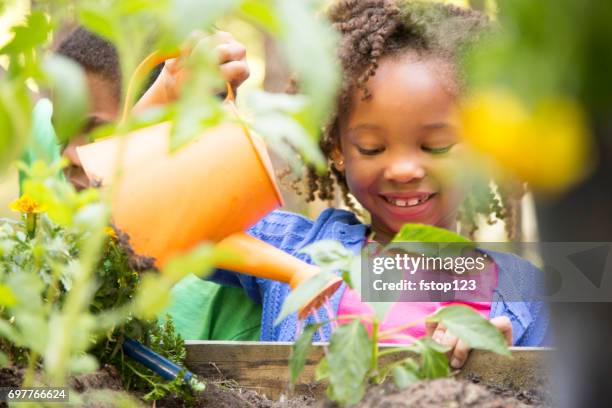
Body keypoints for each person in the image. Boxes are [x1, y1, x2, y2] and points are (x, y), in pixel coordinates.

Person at [208, 0, 549, 368]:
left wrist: (504, 366)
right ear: (338, 150)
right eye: (372, 148)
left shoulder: (526, 290)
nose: (403, 170)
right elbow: (179, 222)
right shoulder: (293, 250)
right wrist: (192, 96)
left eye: (437, 146)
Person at [20, 26, 263, 341]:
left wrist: (176, 87)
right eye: (62, 135)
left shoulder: (229, 293)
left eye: (97, 134)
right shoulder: (54, 177)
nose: (69, 156)